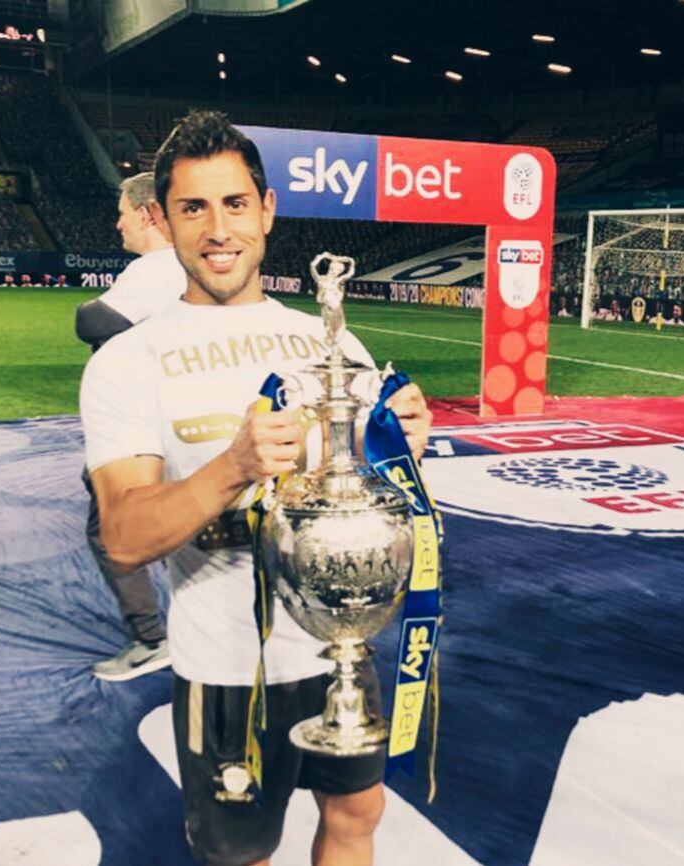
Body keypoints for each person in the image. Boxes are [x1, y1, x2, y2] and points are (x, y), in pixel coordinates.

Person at [80, 110, 431, 866]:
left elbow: (373, 497)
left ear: (267, 212)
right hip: (228, 670)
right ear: (163, 219)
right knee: (244, 855)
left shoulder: (330, 340)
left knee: (356, 816)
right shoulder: (128, 360)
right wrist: (233, 465)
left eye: (235, 204)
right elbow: (123, 536)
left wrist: (405, 448)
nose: (217, 229)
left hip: (343, 648)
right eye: (193, 207)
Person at [75, 171, 188, 681]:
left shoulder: (155, 267)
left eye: (123, 211)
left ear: (147, 213)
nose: (117, 222)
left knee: (112, 528)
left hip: (143, 427)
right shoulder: (187, 263)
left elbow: (92, 322)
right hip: (187, 414)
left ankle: (151, 637)